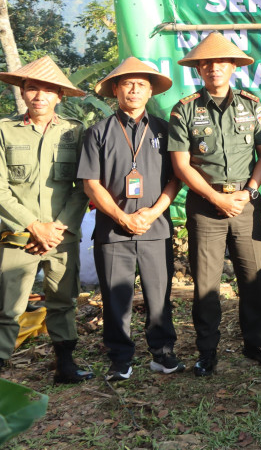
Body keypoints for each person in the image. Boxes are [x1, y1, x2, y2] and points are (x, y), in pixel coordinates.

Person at [168, 32, 261, 376]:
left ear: (232, 66)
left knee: (252, 276)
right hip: (206, 206)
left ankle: (256, 342)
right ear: (199, 68)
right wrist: (215, 197)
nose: (214, 68)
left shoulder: (251, 104)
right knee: (206, 282)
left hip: (245, 203)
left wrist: (249, 192)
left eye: (220, 62)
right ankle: (207, 350)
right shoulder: (185, 109)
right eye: (206, 63)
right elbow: (181, 164)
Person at [78, 57, 184, 381]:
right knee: (116, 299)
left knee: (159, 296)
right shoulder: (98, 132)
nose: (134, 89)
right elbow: (90, 184)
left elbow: (176, 178)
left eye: (141, 83)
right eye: (127, 83)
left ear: (150, 90)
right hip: (113, 231)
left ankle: (163, 354)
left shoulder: (165, 131)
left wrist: (152, 213)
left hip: (156, 228)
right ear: (115, 89)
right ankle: (120, 360)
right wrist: (122, 216)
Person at [0, 57, 92, 383]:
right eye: (32, 88)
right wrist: (33, 225)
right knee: (8, 308)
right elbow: (0, 188)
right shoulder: (3, 130)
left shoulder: (75, 132)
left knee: (63, 301)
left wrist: (57, 228)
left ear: (59, 96)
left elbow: (83, 186)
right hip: (18, 237)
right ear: (23, 92)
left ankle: (65, 367)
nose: (39, 95)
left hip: (61, 236)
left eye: (48, 90)